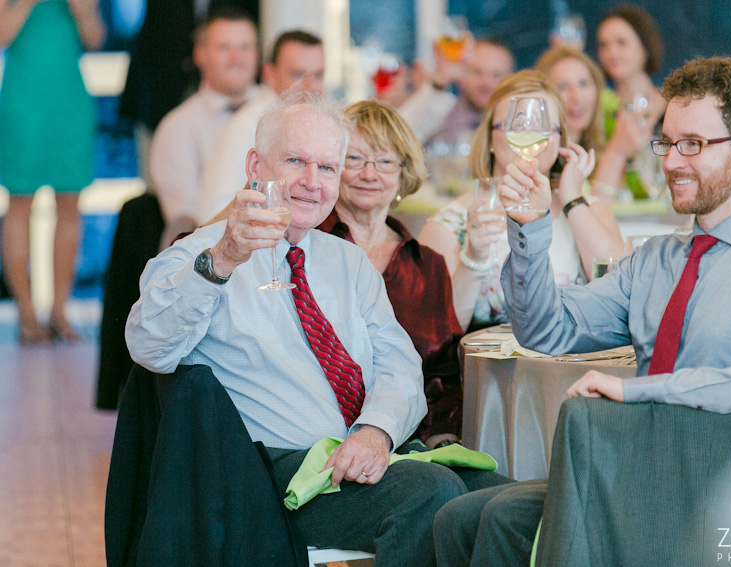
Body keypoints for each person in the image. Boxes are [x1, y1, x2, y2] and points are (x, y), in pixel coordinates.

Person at [433, 56, 731, 567]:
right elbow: (545, 331)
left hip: (713, 479)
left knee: (504, 518)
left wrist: (636, 390)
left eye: (693, 145)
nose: (670, 161)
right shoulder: (655, 259)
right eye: (666, 142)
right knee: (456, 518)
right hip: (633, 460)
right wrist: (528, 231)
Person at [126, 92, 509, 565]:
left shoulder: (345, 261)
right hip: (271, 474)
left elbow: (401, 365)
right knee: (429, 494)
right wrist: (224, 259)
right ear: (255, 164)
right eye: (295, 161)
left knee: (509, 504)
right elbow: (149, 348)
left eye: (327, 167)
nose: (312, 182)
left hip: (370, 454)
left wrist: (375, 432)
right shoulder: (200, 255)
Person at [418, 70, 623, 331]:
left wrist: (572, 198)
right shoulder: (449, 222)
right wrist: (474, 258)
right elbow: (436, 333)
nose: (531, 134)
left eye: (545, 125)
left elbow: (617, 300)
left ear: (560, 138)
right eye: (517, 123)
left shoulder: (589, 209)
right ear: (490, 138)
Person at [318, 100, 464, 448]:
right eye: (354, 159)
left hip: (411, 439)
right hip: (322, 436)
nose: (370, 174)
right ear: (332, 166)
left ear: (403, 173)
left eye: (384, 161)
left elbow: (443, 374)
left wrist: (442, 441)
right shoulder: (308, 248)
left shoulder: (427, 264)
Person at [0, 0, 104, 343]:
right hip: (23, 100)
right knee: (20, 204)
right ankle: (26, 313)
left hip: (69, 99)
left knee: (71, 204)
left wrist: (83, 9)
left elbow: (95, 39)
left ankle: (60, 310)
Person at [148, 8, 259, 241]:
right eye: (224, 48)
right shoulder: (177, 127)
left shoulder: (279, 112)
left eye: (245, 47)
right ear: (200, 55)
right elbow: (187, 221)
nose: (236, 57)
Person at [197, 29, 325, 223]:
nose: (310, 87)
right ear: (269, 74)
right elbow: (211, 216)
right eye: (298, 75)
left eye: (318, 75)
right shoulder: (247, 126)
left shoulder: (321, 124)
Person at [591, 4, 667, 201]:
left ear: (645, 46)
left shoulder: (672, 106)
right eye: (604, 45)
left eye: (621, 42)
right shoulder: (596, 110)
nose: (611, 52)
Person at [400, 37, 514, 146]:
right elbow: (398, 136)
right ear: (462, 73)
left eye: (497, 75)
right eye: (478, 72)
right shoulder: (439, 113)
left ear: (510, 79)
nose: (487, 83)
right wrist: (439, 81)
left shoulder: (517, 124)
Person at [533, 44, 606, 156]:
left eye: (583, 83)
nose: (576, 97)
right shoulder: (538, 160)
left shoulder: (601, 149)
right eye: (563, 87)